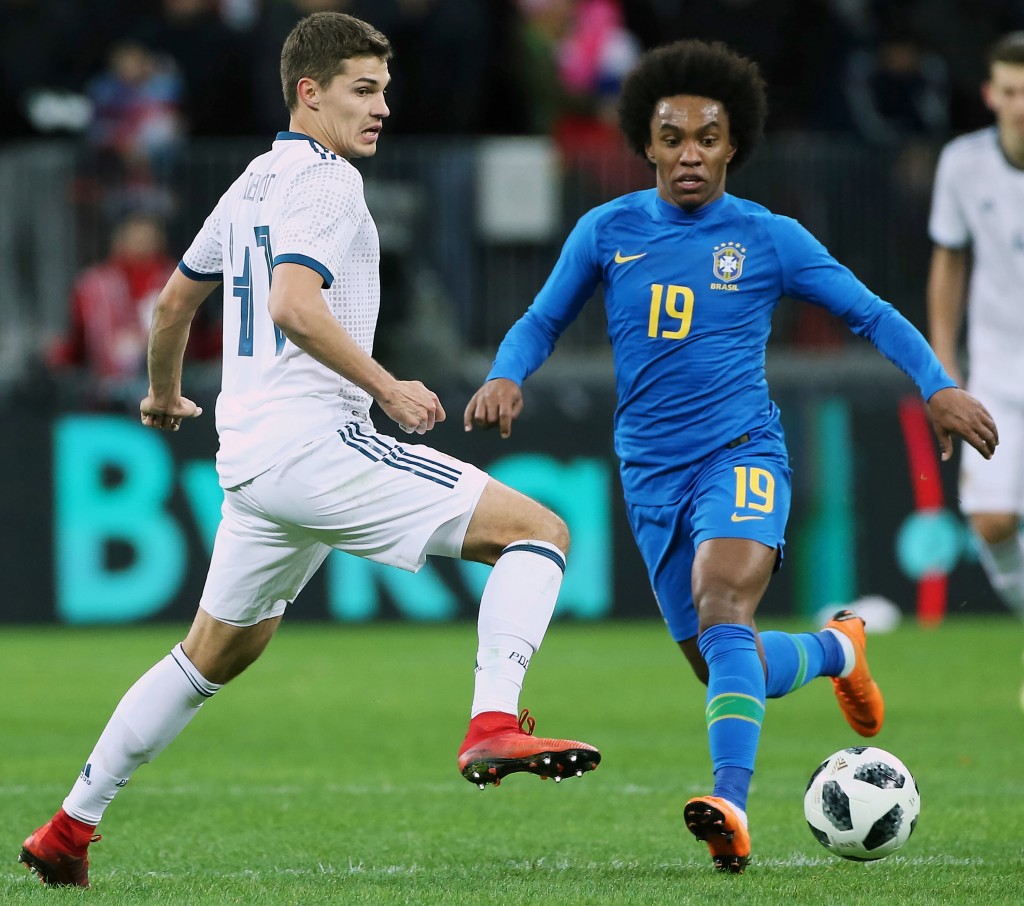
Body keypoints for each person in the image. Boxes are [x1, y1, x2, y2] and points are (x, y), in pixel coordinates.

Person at [19, 12, 599, 890]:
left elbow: (173, 306)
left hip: (251, 462)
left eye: (384, 92)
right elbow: (294, 304)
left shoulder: (252, 181)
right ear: (309, 91)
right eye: (363, 91)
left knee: (213, 652)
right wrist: (388, 386)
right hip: (314, 443)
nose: (381, 109)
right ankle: (492, 723)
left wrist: (164, 393)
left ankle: (69, 826)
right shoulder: (328, 184)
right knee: (540, 533)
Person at [464, 38, 998, 874]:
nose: (689, 155)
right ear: (645, 142)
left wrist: (936, 383)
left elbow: (871, 313)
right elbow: (541, 319)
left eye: (707, 139)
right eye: (672, 137)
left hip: (742, 452)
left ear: (732, 146)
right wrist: (506, 374)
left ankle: (731, 805)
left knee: (722, 607)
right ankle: (838, 651)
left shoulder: (767, 237)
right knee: (723, 656)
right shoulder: (607, 230)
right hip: (650, 476)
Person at [926, 31, 1024, 705]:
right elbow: (950, 260)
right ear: (991, 95)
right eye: (1012, 92)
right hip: (999, 361)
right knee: (991, 519)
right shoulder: (963, 163)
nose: (1022, 105)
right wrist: (942, 360)